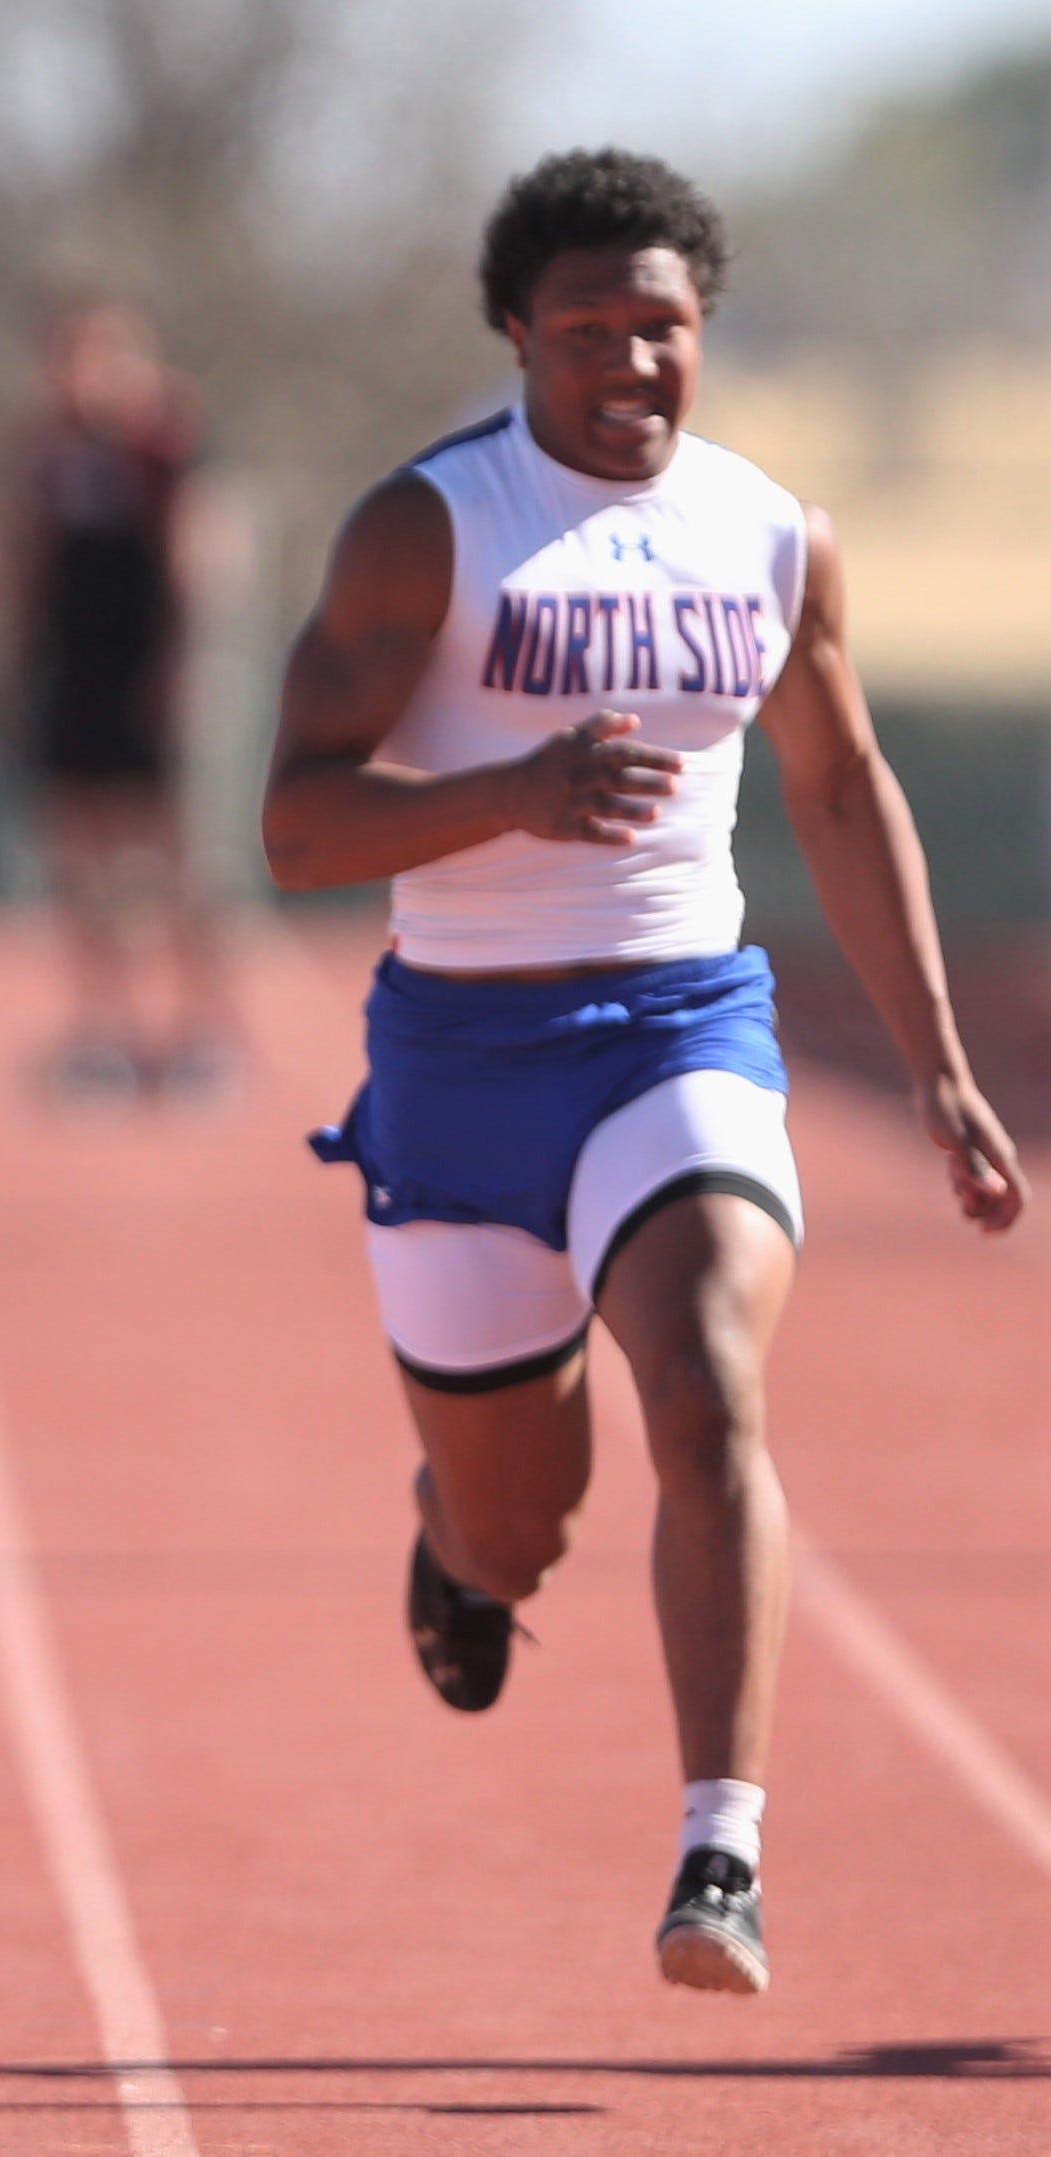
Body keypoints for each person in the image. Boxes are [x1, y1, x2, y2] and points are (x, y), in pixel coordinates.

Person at [263, 149, 1025, 1997]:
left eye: (662, 327)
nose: (629, 362)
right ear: (519, 333)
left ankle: (722, 1848)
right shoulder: (429, 527)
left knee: (708, 1382)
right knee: (525, 1515)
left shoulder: (772, 534)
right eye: (588, 327)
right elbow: (293, 824)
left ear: (706, 334)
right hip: (458, 1059)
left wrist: (934, 1063)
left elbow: (839, 788)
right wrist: (504, 799)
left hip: (684, 1023)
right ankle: (463, 1547)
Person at [4, 297, 238, 1101]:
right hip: (73, 671)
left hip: (148, 672)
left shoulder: (166, 442)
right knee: (81, 856)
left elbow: (199, 556)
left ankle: (205, 1033)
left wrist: (182, 667)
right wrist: (9, 666)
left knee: (179, 861)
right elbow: (23, 559)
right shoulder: (45, 449)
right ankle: (104, 1032)